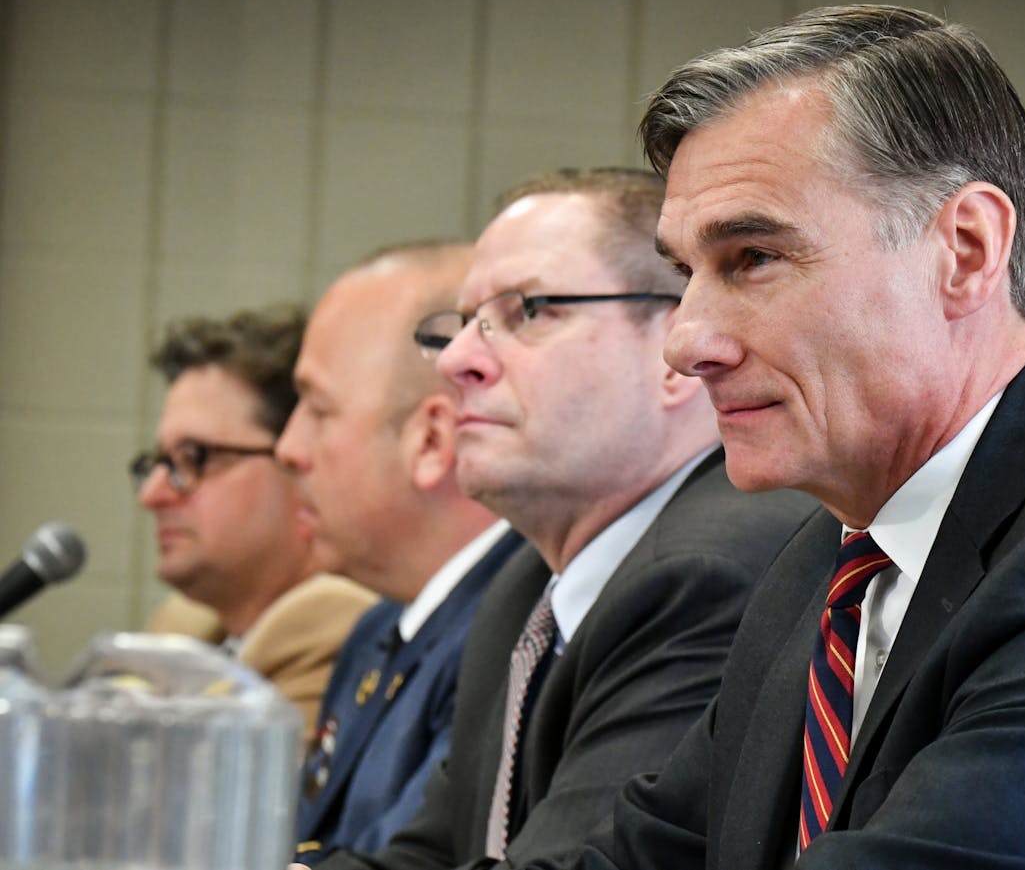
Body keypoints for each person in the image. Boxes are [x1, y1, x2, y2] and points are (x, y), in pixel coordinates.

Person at [524, 5, 1025, 869]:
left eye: (753, 257)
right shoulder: (826, 558)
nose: (688, 341)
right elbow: (637, 857)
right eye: (688, 274)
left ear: (966, 249)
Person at [309, 168, 819, 870]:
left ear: (675, 354)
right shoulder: (524, 587)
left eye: (529, 310)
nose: (457, 360)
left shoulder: (713, 572)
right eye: (461, 325)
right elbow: (432, 853)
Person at [276, 242, 526, 864]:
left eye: (317, 408)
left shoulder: (512, 634)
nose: (287, 447)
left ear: (434, 440)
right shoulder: (378, 628)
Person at [131, 306, 376, 742]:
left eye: (195, 458)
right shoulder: (183, 627)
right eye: (160, 462)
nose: (152, 494)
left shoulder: (336, 628)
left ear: (300, 461)